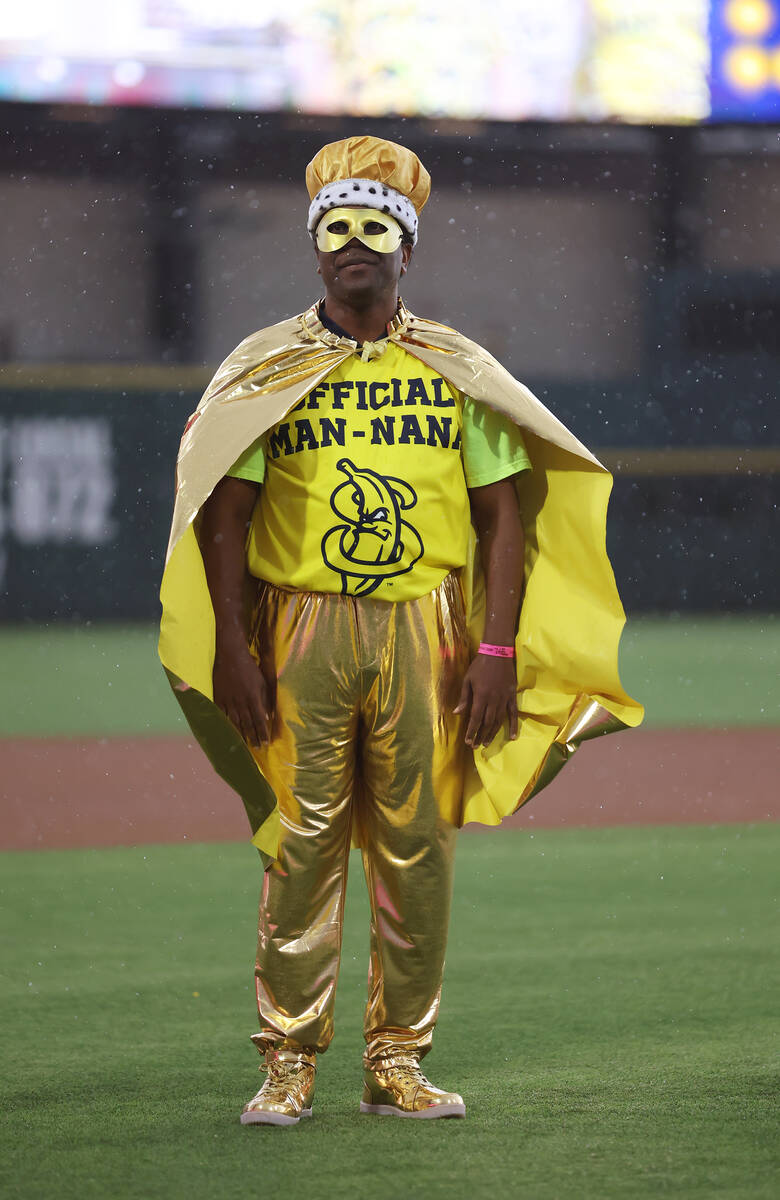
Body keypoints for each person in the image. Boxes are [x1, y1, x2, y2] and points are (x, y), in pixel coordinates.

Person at [158, 135, 642, 1126]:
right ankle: (288, 1062)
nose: (355, 245)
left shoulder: (453, 367)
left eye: (376, 228)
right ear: (313, 245)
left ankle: (397, 1062)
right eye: (337, 227)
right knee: (301, 846)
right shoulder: (269, 366)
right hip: (300, 628)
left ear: (407, 249)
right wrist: (231, 646)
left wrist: (498, 651)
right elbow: (225, 513)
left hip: (429, 628)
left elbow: (506, 514)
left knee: (418, 847)